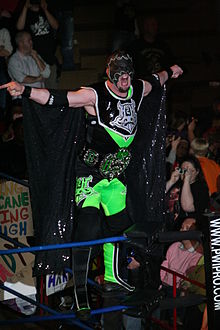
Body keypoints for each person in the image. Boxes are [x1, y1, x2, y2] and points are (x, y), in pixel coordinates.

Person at [0, 50, 183, 320]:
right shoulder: (93, 95)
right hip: (90, 175)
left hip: (114, 177)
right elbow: (57, 98)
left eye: (128, 75)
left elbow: (156, 80)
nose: (125, 81)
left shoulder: (135, 89)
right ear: (111, 75)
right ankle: (81, 293)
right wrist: (25, 90)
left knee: (121, 225)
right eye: (120, 75)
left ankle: (113, 275)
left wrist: (172, 69)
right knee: (88, 229)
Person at [16, 0, 59, 88]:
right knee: (37, 89)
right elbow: (19, 27)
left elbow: (56, 26)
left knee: (52, 89)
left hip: (49, 56)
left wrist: (45, 9)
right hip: (34, 57)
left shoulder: (46, 10)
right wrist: (25, 7)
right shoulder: (25, 13)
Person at [166, 155, 210, 229]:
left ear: (197, 172)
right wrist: (171, 181)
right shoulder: (177, 183)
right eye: (183, 170)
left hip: (184, 227)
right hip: (166, 224)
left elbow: (187, 207)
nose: (186, 173)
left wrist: (186, 180)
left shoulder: (201, 187)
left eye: (190, 171)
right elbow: (157, 198)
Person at [126, 14, 175, 79]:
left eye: (156, 25)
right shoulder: (135, 46)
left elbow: (170, 64)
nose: (155, 27)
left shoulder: (163, 46)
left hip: (161, 83)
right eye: (152, 25)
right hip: (143, 83)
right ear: (145, 27)